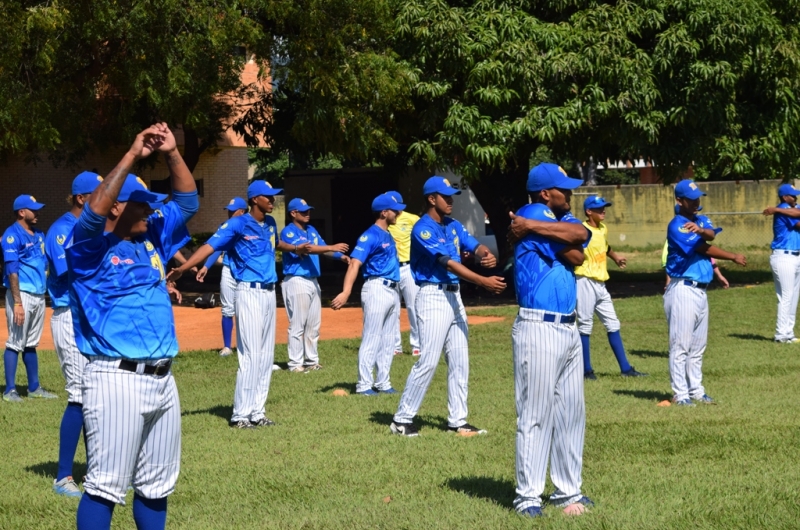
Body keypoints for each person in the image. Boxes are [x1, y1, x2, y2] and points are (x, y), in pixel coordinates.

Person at [68, 123, 199, 530]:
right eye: (140, 203)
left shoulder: (152, 237)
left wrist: (172, 153)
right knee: (105, 486)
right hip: (115, 377)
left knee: (156, 486)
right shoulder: (89, 248)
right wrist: (131, 155)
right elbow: (92, 216)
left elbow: (189, 202)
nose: (150, 210)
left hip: (163, 376)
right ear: (117, 207)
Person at [167, 181, 310, 429]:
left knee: (266, 356)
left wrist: (296, 248)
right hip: (248, 292)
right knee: (250, 354)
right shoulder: (237, 223)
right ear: (255, 199)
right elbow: (209, 246)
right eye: (268, 197)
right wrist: (184, 267)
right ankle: (240, 415)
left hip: (268, 293)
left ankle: (257, 411)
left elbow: (276, 244)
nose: (273, 201)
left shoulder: (271, 223)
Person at [506, 163, 594, 517]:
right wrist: (536, 226)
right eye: (564, 189)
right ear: (545, 193)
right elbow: (572, 245)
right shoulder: (531, 212)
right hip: (538, 326)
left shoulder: (539, 221)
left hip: (567, 327)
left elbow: (580, 243)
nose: (570, 195)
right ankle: (527, 495)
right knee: (535, 412)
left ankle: (566, 491)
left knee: (572, 413)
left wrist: (539, 231)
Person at [390, 176, 506, 437]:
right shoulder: (423, 228)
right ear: (432, 199)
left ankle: (458, 420)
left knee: (460, 360)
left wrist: (484, 256)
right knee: (429, 360)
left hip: (454, 297)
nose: (451, 200)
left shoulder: (452, 224)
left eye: (451, 195)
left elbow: (473, 245)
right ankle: (401, 419)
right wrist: (482, 280)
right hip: (433, 296)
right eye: (446, 196)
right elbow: (448, 264)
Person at [45, 171, 103, 497]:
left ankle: (96, 469)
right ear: (82, 198)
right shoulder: (61, 230)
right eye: (99, 192)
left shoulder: (95, 229)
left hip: (91, 318)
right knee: (79, 394)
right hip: (69, 315)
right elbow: (73, 271)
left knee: (97, 395)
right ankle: (63, 477)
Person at [665, 179, 746, 406]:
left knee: (698, 347)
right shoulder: (677, 224)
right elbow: (703, 247)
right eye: (690, 199)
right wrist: (732, 256)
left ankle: (697, 391)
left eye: (697, 198)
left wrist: (701, 229)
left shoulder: (699, 220)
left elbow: (710, 234)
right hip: (683, 288)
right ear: (679, 201)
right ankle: (681, 394)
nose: (695, 202)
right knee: (681, 345)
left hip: (701, 291)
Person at [331, 192, 405, 395]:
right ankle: (364, 384)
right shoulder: (369, 235)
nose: (398, 212)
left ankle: (383, 383)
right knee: (372, 337)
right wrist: (346, 292)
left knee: (389, 339)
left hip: (392, 289)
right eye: (395, 209)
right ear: (383, 212)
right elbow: (355, 264)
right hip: (376, 288)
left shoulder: (387, 234)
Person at [575, 195, 646, 380]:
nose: (603, 211)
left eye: (604, 208)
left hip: (600, 283)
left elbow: (605, 247)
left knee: (613, 323)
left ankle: (626, 369)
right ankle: (586, 370)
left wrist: (615, 257)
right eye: (599, 209)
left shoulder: (603, 228)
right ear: (588, 211)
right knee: (585, 325)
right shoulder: (581, 230)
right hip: (584, 281)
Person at [280, 198, 349, 372]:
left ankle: (312, 361)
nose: (308, 213)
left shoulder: (311, 229)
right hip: (296, 280)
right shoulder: (288, 232)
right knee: (298, 325)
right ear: (293, 213)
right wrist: (333, 247)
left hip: (312, 281)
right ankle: (295, 363)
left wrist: (340, 257)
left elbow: (323, 247)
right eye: (303, 211)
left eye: (308, 210)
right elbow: (308, 249)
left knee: (313, 324)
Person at [2, 194, 57, 403]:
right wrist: (17, 303)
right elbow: (12, 271)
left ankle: (34, 388)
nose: (38, 212)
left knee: (31, 343)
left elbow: (44, 265)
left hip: (38, 295)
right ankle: (10, 390)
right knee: (16, 342)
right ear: (21, 212)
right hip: (21, 295)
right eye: (33, 209)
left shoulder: (39, 234)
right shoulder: (11, 235)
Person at [196, 197, 249, 356]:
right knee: (227, 308)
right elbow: (217, 248)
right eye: (229, 210)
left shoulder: (250, 226)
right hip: (228, 269)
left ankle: (244, 346)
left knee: (245, 310)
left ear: (242, 211)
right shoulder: (225, 227)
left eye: (233, 211)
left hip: (246, 272)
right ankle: (227, 347)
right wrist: (206, 266)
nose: (230, 213)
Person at [762, 184, 800, 343]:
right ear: (785, 197)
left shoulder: (790, 208)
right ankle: (781, 334)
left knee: (794, 296)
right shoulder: (784, 209)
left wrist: (776, 210)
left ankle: (789, 332)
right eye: (793, 195)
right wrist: (777, 209)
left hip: (795, 256)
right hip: (783, 256)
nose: (796, 197)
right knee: (786, 296)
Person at [386, 191, 421, 356]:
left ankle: (417, 345)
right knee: (393, 308)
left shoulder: (413, 219)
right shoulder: (383, 221)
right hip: (391, 268)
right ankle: (395, 346)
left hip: (408, 266)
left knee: (413, 306)